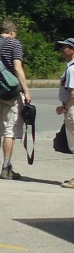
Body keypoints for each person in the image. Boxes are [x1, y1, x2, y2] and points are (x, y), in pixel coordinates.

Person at [0, 19, 33, 180]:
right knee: (10, 130)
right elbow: (17, 67)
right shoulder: (15, 44)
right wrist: (26, 91)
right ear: (12, 32)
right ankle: (6, 167)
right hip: (12, 93)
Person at [56, 37, 74, 188]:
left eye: (65, 47)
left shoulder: (73, 68)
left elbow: (73, 93)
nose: (62, 50)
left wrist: (66, 108)